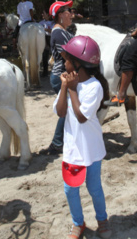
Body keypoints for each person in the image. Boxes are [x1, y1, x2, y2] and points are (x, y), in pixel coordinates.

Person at [53, 35, 111, 239]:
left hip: (91, 148)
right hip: (72, 148)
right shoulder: (68, 84)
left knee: (94, 188)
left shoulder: (93, 87)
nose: (64, 63)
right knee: (70, 190)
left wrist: (72, 90)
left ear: (78, 64)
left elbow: (81, 117)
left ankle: (102, 220)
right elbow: (61, 113)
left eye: (67, 60)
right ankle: (79, 222)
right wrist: (63, 88)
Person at [40, 0, 74, 156]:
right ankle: (57, 143)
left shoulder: (63, 31)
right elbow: (68, 58)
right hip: (61, 77)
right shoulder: (58, 33)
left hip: (64, 75)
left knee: (70, 107)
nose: (71, 14)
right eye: (68, 10)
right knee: (66, 108)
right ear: (60, 15)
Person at [39, 11, 53, 77]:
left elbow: (53, 30)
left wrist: (45, 29)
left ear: (48, 14)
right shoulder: (41, 22)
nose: (42, 14)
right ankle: (45, 71)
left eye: (44, 13)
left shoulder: (53, 22)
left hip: (52, 38)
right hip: (44, 38)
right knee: (45, 55)